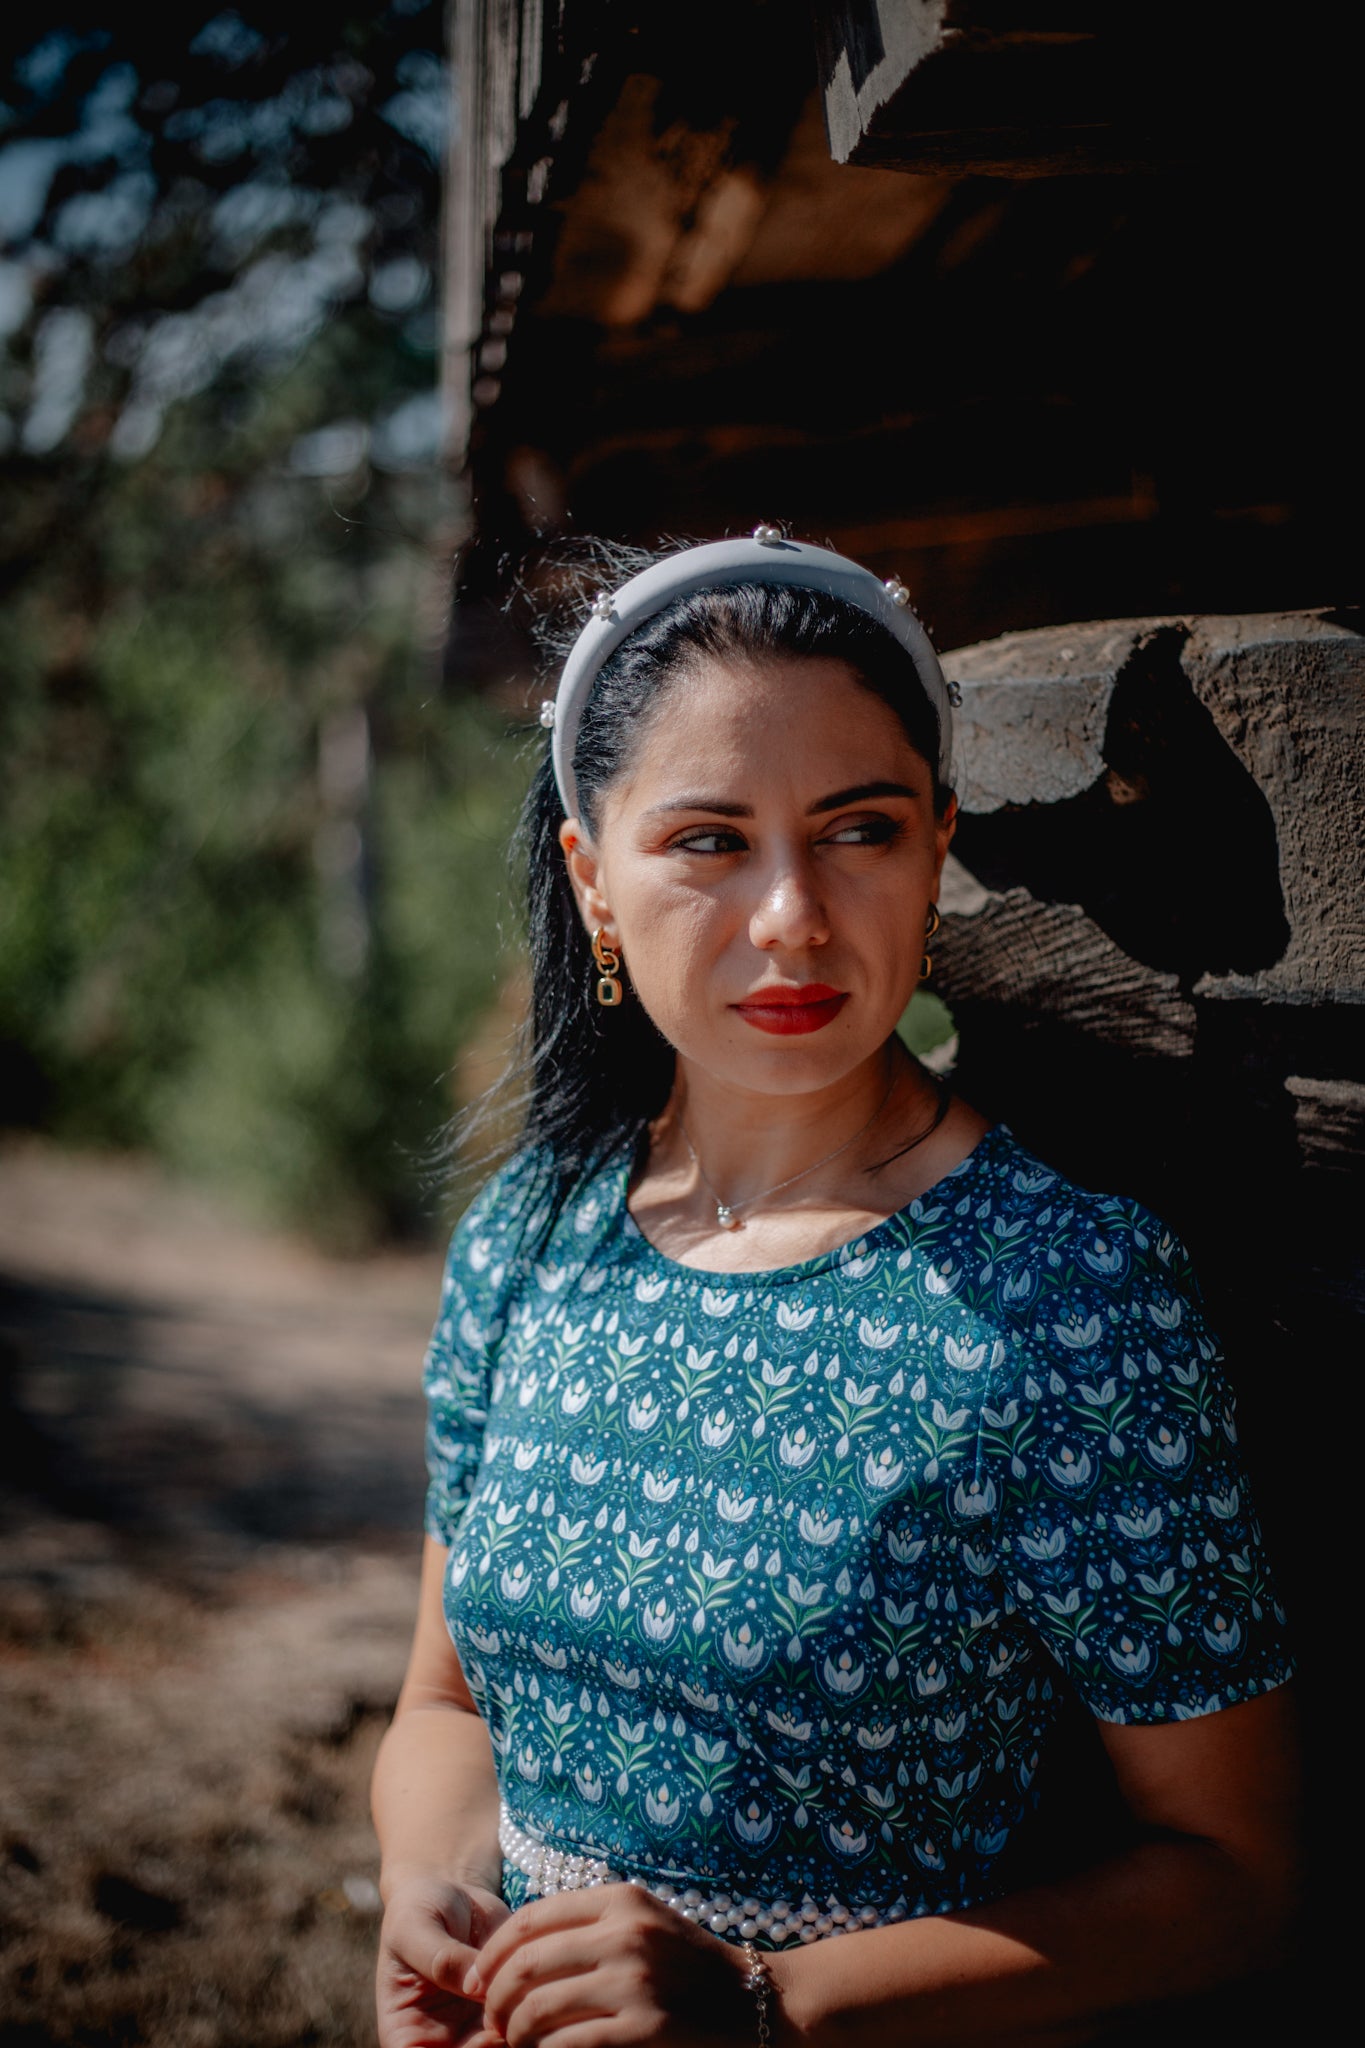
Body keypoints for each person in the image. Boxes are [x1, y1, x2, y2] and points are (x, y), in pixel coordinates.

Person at [371, 530, 1299, 2048]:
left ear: (937, 844)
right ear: (591, 879)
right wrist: (431, 1897)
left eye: (856, 829)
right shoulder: (530, 1239)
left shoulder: (1071, 1297)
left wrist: (764, 2006)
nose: (793, 914)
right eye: (709, 841)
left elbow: (1237, 1878)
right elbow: (444, 1711)